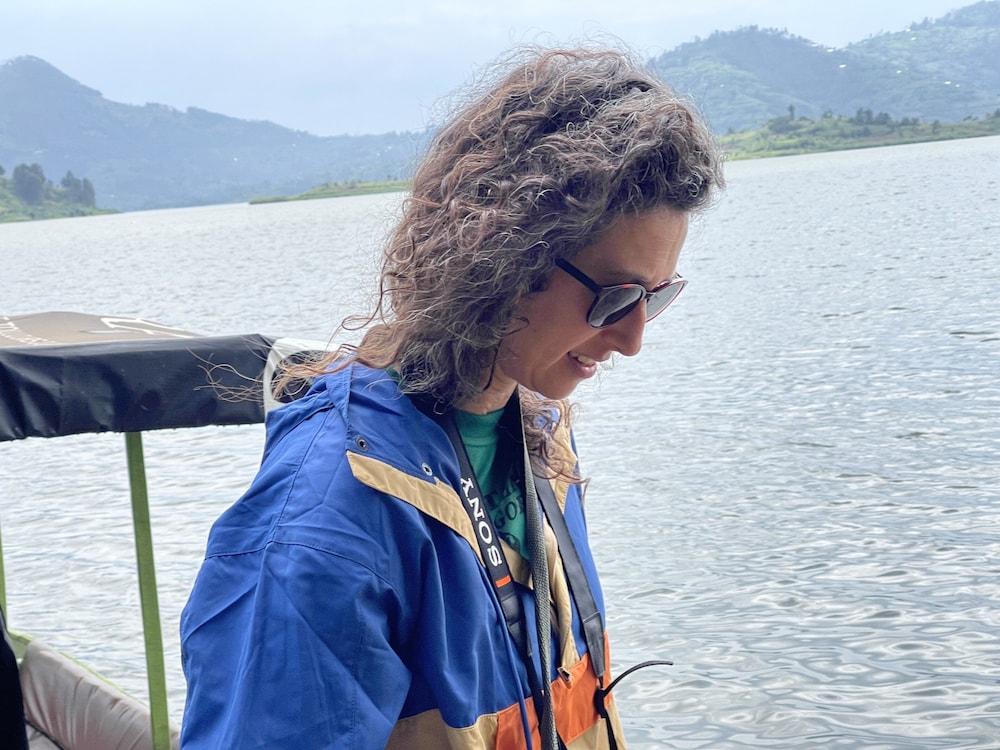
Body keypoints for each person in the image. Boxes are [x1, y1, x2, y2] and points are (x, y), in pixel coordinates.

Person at [180, 46, 723, 749]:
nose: (633, 339)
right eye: (615, 298)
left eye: (657, 296)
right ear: (509, 257)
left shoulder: (537, 430)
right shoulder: (327, 520)